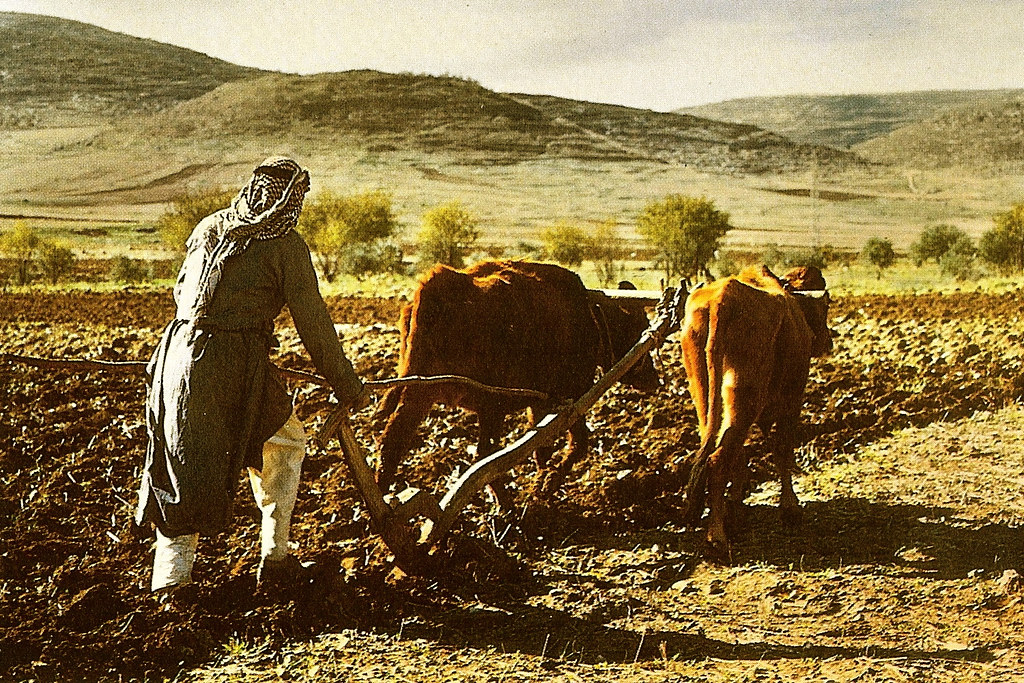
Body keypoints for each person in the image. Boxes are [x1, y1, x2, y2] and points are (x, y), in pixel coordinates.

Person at [135, 156, 367, 592]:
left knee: (182, 464)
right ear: (290, 199)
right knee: (281, 447)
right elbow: (313, 324)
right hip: (231, 364)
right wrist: (348, 385)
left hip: (174, 358)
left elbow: (182, 290)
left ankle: (173, 582)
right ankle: (272, 559)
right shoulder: (285, 245)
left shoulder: (208, 227)